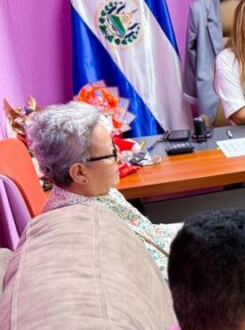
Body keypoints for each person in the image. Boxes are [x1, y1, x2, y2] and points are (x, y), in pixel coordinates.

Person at [26, 102, 177, 279]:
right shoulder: (87, 231)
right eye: (112, 152)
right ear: (79, 172)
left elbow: (149, 234)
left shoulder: (97, 191)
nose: (119, 157)